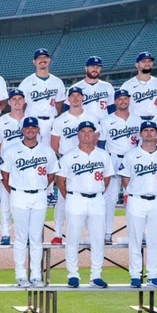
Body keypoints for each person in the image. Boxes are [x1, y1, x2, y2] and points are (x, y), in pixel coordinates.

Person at [0, 117, 58, 288]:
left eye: (34, 127)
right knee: (20, 237)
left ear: (38, 130)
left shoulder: (47, 151)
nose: (31, 130)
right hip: (19, 195)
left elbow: (52, 173)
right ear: (22, 130)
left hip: (39, 195)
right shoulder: (11, 150)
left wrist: (40, 187)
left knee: (36, 237)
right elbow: (5, 175)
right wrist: (17, 190)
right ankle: (20, 274)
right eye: (27, 128)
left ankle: (36, 275)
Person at [55, 120, 113, 288]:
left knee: (97, 239)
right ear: (78, 134)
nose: (87, 134)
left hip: (97, 198)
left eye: (90, 131)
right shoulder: (69, 156)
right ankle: (73, 274)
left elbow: (107, 178)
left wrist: (98, 190)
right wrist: (70, 197)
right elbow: (60, 181)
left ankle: (96, 275)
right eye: (83, 131)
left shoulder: (103, 155)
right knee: (72, 238)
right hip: (75, 198)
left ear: (95, 135)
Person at [119, 121, 157, 288]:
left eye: (152, 130)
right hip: (136, 199)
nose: (149, 133)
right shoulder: (131, 155)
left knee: (154, 239)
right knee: (134, 239)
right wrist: (135, 192)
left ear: (156, 133)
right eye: (146, 131)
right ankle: (135, 275)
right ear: (140, 134)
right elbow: (125, 179)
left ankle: (153, 275)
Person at [50, 86, 99, 246]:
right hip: (67, 161)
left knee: (88, 198)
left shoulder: (92, 117)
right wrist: (64, 159)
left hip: (87, 160)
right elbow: (54, 145)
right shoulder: (60, 119)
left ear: (83, 98)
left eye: (79, 95)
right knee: (62, 199)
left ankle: (91, 235)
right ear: (67, 99)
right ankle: (58, 233)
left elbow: (95, 139)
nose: (76, 98)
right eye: (73, 96)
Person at [97, 88, 141, 244]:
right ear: (115, 101)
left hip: (132, 161)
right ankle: (107, 233)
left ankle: (135, 234)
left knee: (134, 198)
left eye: (125, 98)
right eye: (120, 98)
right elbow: (101, 144)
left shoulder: (138, 120)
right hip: (113, 159)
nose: (123, 101)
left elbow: (141, 144)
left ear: (129, 100)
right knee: (110, 199)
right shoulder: (106, 120)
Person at [0, 88, 28, 247]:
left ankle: (23, 232)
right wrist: (8, 160)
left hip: (27, 167)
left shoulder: (31, 120)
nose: (17, 102)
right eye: (14, 99)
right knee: (5, 203)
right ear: (9, 102)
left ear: (24, 101)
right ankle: (5, 233)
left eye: (20, 99)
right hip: (8, 167)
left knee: (24, 203)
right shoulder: (1, 121)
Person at [17, 47, 66, 145]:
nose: (42, 60)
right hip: (33, 121)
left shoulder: (58, 82)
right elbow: (21, 105)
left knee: (51, 150)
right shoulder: (26, 82)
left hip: (51, 121)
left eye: (45, 57)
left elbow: (59, 104)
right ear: (34, 62)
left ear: (49, 60)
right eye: (39, 58)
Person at [118, 52, 157, 121]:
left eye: (149, 61)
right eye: (143, 61)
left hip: (156, 119)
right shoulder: (127, 85)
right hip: (136, 120)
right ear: (136, 65)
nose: (147, 64)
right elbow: (120, 106)